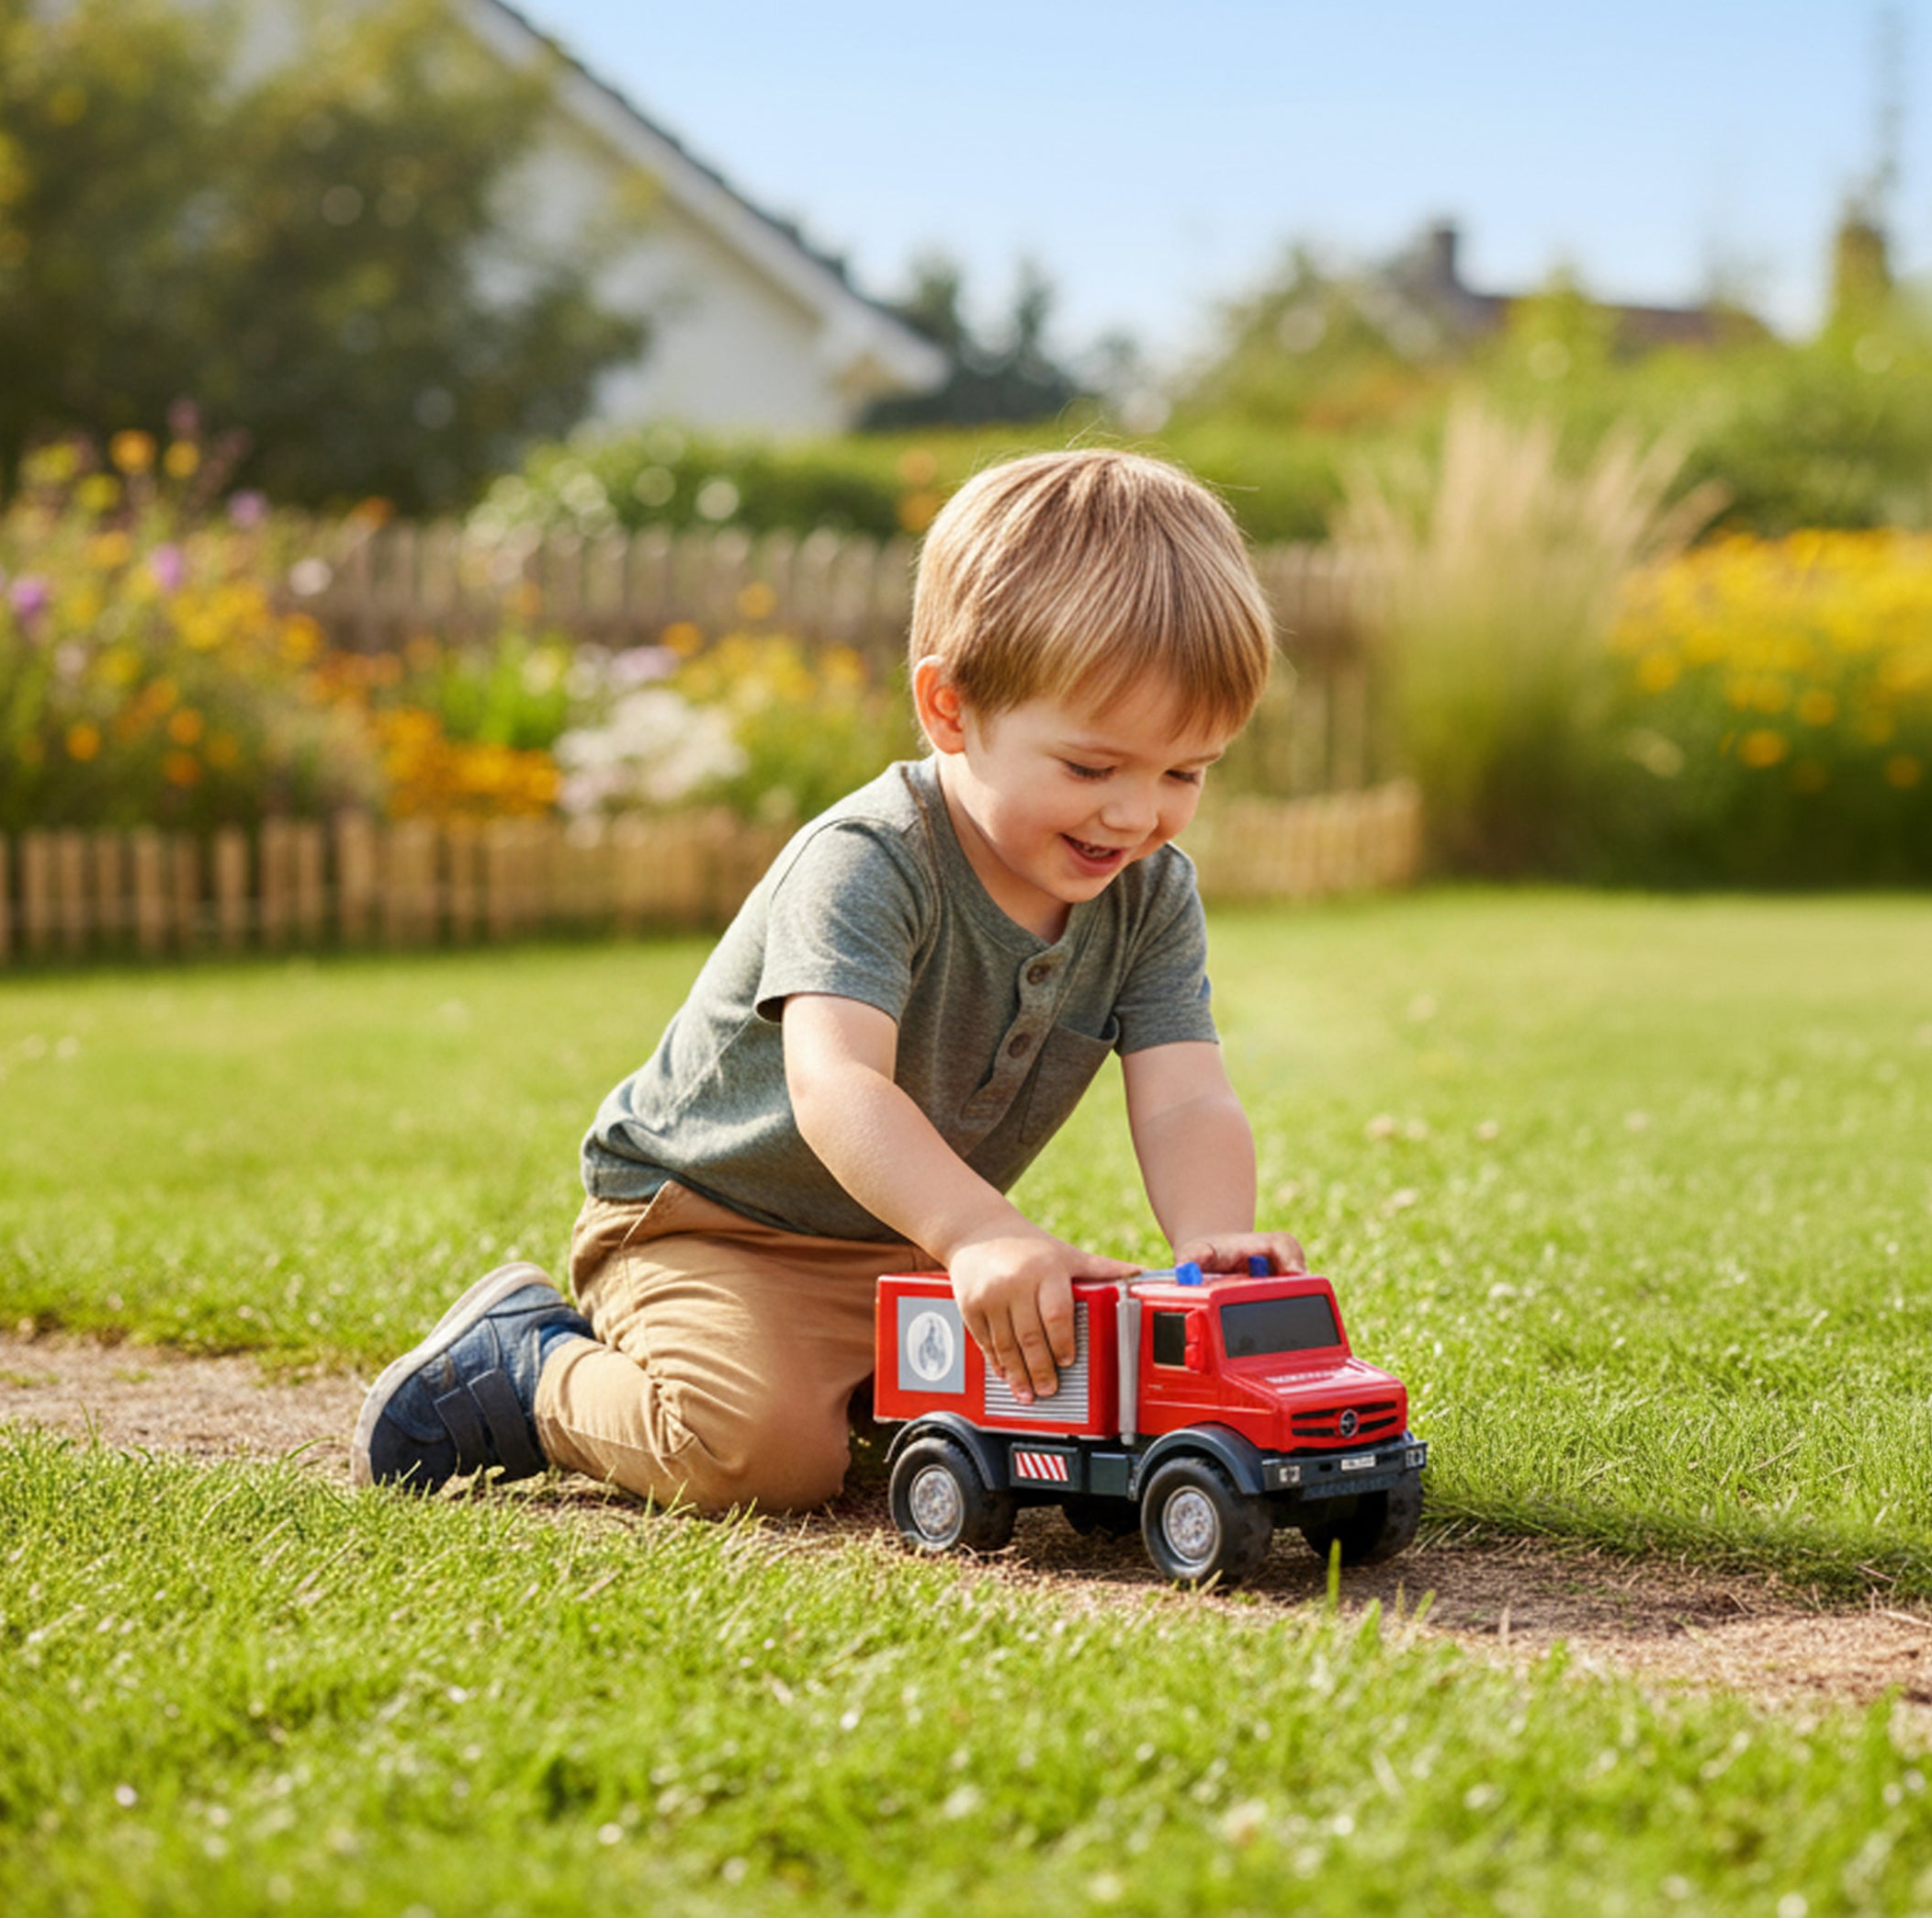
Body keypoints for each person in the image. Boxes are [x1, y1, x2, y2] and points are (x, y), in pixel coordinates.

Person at [352, 448, 1304, 1511]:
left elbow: (1183, 1092)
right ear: (950, 710)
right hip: (713, 1225)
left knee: (1103, 1379)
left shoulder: (1149, 891)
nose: (1135, 814)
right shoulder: (870, 858)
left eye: (1185, 773)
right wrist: (984, 1230)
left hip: (903, 1236)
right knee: (761, 1458)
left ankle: (858, 1382)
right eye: (1090, 768)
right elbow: (838, 1085)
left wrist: (1210, 1243)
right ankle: (524, 1368)